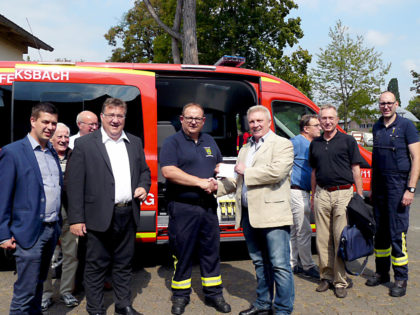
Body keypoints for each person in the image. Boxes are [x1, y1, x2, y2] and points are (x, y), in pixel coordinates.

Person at [66, 98, 151, 315]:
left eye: (119, 116)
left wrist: (143, 186)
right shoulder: (84, 145)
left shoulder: (134, 142)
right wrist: (76, 219)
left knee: (123, 264)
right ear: (102, 117)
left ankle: (123, 305)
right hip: (97, 216)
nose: (115, 120)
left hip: (127, 213)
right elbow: (73, 185)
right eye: (110, 115)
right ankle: (95, 309)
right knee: (96, 266)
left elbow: (144, 171)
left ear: (124, 118)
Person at [218, 105, 295, 315]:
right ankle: (262, 304)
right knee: (260, 263)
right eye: (252, 122)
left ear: (269, 122)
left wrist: (247, 170)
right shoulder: (245, 148)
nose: (255, 125)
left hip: (273, 216)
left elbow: (276, 173)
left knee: (279, 265)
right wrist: (211, 186)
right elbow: (238, 180)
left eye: (260, 121)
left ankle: (282, 309)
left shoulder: (282, 144)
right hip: (249, 215)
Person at [160, 103, 231, 315]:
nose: (193, 121)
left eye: (197, 118)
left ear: (203, 121)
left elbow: (218, 165)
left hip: (208, 207)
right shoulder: (172, 142)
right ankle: (181, 296)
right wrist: (200, 182)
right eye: (189, 117)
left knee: (211, 252)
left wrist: (220, 175)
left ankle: (214, 295)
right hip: (183, 207)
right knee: (182, 253)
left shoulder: (209, 141)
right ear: (181, 119)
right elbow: (169, 171)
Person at [0, 102, 62, 314]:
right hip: (28, 233)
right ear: (33, 121)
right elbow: (3, 196)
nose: (50, 127)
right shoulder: (13, 152)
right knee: (25, 293)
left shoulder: (52, 152)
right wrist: (3, 234)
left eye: (53, 123)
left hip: (51, 230)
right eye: (45, 121)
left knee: (38, 288)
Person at [365, 91, 420, 297]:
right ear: (379, 105)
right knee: (380, 233)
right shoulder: (377, 126)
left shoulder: (407, 127)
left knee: (397, 233)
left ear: (396, 104)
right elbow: (376, 162)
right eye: (382, 103)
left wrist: (410, 189)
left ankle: (401, 278)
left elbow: (417, 158)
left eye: (389, 103)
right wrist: (371, 188)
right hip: (379, 187)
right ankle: (381, 273)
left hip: (399, 186)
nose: (386, 106)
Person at [309, 104, 364, 299]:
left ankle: (340, 281)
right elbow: (314, 172)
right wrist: (313, 195)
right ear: (319, 120)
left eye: (331, 118)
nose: (327, 121)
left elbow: (356, 168)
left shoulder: (348, 141)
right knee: (323, 239)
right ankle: (326, 276)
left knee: (340, 238)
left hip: (343, 194)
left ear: (337, 119)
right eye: (324, 118)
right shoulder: (314, 143)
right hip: (322, 194)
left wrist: (360, 196)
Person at [42, 123, 80, 310]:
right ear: (51, 138)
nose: (64, 140)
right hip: (47, 211)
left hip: (69, 211)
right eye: (59, 136)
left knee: (71, 254)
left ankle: (66, 292)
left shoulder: (75, 156)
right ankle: (45, 294)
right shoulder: (44, 155)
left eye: (67, 136)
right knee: (45, 255)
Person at [290, 115, 321, 279]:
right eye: (316, 125)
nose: (320, 127)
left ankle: (293, 263)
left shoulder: (311, 143)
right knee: (304, 229)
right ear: (306, 129)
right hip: (296, 190)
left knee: (295, 230)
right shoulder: (295, 142)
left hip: (302, 191)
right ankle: (308, 265)